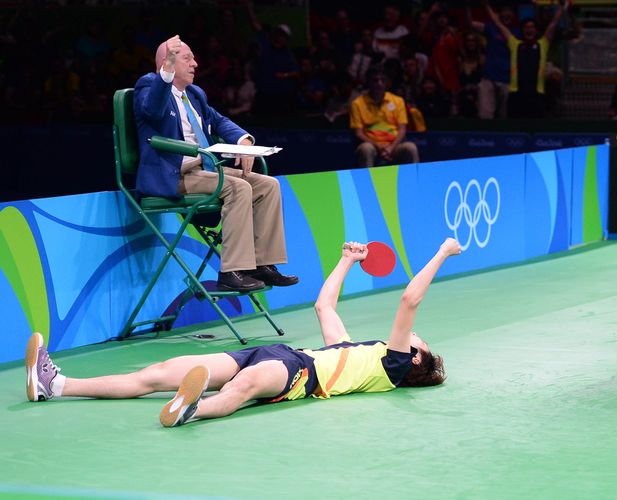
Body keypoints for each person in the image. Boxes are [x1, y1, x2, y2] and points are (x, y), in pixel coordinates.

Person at [25, 238, 461, 427]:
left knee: (246, 387)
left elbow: (409, 301)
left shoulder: (394, 364)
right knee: (161, 370)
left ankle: (193, 410)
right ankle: (56, 384)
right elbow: (324, 305)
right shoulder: (355, 356)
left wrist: (443, 252)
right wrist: (347, 261)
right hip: (285, 352)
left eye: (419, 341)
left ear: (416, 358)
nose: (414, 336)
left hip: (299, 378)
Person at [134, 35, 298, 292]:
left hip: (204, 170)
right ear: (169, 63)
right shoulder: (149, 86)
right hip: (173, 175)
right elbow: (153, 111)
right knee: (238, 188)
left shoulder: (195, 94)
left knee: (268, 185)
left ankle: (262, 264)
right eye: (188, 58)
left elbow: (219, 121)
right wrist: (164, 71)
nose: (195, 64)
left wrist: (244, 141)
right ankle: (231, 271)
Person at [486, 0, 567, 119]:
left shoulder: (543, 44)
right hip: (516, 95)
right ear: (522, 30)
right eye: (526, 27)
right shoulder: (514, 43)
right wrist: (486, 5)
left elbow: (553, 23)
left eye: (532, 27)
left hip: (536, 95)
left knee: (535, 128)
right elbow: (498, 24)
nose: (529, 29)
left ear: (535, 30)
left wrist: (562, 7)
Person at [350, 65, 419, 168]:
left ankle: (413, 183)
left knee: (410, 148)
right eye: (375, 80)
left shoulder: (398, 101)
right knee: (365, 149)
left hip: (394, 146)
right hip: (372, 145)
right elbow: (359, 133)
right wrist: (378, 146)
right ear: (368, 82)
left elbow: (402, 130)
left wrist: (390, 148)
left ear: (387, 82)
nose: (379, 84)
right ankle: (366, 183)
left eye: (383, 80)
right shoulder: (357, 103)